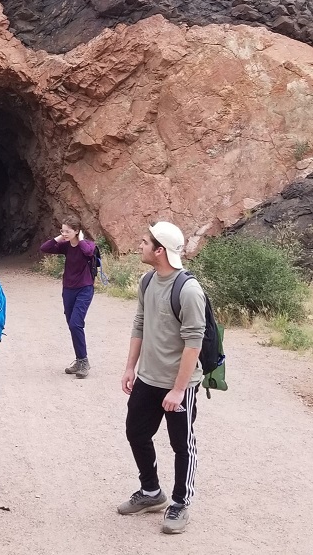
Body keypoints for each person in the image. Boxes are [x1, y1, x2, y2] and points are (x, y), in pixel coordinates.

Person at [118, 221, 204, 535]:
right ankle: (152, 492)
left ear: (160, 250)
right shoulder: (146, 281)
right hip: (148, 378)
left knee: (182, 445)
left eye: (144, 242)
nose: (139, 246)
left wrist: (179, 389)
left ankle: (180, 503)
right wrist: (130, 368)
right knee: (136, 433)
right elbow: (139, 324)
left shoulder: (189, 290)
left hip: (179, 384)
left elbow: (194, 342)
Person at [39, 220, 98, 378]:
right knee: (72, 325)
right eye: (62, 230)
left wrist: (78, 239)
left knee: (75, 323)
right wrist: (61, 237)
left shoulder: (88, 244)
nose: (63, 234)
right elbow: (44, 248)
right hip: (68, 289)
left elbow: (87, 251)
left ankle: (84, 362)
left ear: (77, 231)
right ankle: (79, 360)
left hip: (84, 288)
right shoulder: (65, 245)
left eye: (67, 231)